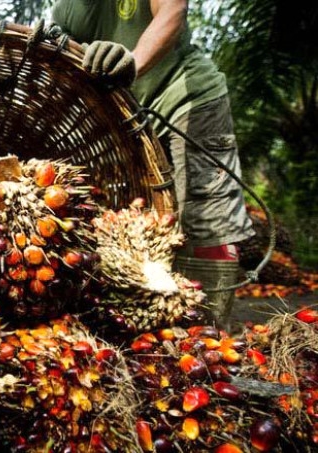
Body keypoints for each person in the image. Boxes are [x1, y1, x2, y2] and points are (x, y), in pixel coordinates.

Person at [51, 0, 256, 329]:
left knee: (203, 220)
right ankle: (166, 326)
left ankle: (210, 336)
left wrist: (132, 61)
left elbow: (172, 13)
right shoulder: (66, 11)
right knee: (142, 229)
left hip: (186, 99)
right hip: (133, 120)